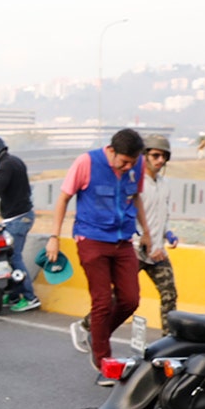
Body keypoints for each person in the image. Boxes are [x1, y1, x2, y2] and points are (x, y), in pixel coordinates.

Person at [42, 128, 149, 384]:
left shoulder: (138, 164)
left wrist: (147, 233)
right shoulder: (87, 162)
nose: (127, 167)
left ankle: (96, 335)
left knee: (130, 299)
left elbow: (136, 198)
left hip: (123, 240)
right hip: (91, 239)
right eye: (124, 162)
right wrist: (54, 237)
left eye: (132, 163)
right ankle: (103, 362)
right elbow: (64, 198)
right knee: (101, 302)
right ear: (111, 151)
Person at [0, 135, 40, 312]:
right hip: (21, 215)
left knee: (13, 257)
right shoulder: (14, 161)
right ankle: (13, 295)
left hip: (18, 218)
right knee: (9, 257)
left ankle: (30, 297)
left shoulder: (5, 164)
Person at [137, 133, 180, 324]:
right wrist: (144, 244)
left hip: (158, 252)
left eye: (164, 156)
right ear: (144, 156)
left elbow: (164, 215)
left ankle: (169, 342)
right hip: (134, 251)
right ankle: (87, 326)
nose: (160, 160)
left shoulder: (165, 185)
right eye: (155, 155)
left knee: (169, 295)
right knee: (119, 298)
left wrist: (168, 233)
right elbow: (129, 219)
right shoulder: (135, 184)